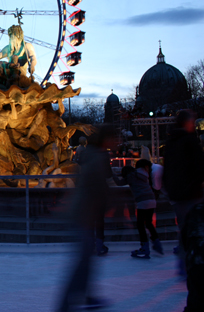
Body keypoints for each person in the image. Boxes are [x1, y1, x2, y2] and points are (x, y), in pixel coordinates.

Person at [56, 125, 116, 311]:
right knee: (83, 261)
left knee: (86, 259)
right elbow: (95, 185)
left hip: (83, 213)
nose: (118, 142)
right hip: (84, 214)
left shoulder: (91, 155)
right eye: (115, 138)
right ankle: (65, 303)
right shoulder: (98, 157)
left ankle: (86, 296)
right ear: (107, 140)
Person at [163, 110, 204, 276]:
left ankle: (182, 263)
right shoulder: (190, 140)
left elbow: (167, 168)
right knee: (195, 228)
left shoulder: (170, 141)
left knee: (184, 228)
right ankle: (192, 262)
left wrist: (169, 188)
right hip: (191, 192)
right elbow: (199, 166)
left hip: (177, 193)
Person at [114, 159, 163, 258]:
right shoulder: (143, 175)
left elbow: (119, 183)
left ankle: (144, 247)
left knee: (140, 225)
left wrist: (112, 174)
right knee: (148, 223)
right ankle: (157, 244)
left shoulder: (130, 176)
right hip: (152, 199)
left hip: (142, 201)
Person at [181, 201, 204, 311]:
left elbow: (185, 237)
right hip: (197, 260)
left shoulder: (196, 209)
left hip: (196, 261)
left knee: (195, 301)